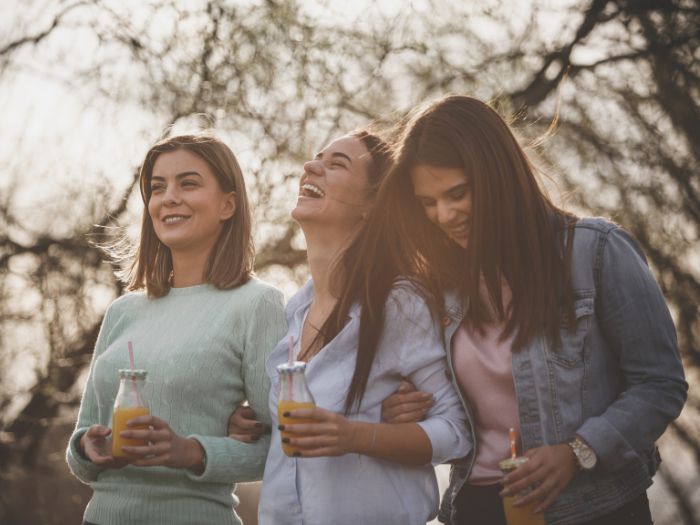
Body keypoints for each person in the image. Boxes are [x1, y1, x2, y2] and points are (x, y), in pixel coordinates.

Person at [364, 95, 687, 524]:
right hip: (476, 511)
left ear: (496, 175)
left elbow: (659, 384)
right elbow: (451, 410)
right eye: (428, 202)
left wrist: (577, 453)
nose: (443, 214)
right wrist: (405, 408)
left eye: (457, 193)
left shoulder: (596, 252)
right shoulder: (438, 289)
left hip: (594, 510)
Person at [231, 130, 471, 525]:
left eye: (336, 164)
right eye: (316, 158)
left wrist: (356, 436)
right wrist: (248, 421)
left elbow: (457, 431)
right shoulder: (292, 314)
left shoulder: (399, 305)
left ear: (373, 204)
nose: (311, 166)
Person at [65, 134, 286, 525]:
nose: (168, 197)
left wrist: (192, 451)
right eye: (157, 187)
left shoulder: (257, 304)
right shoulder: (122, 311)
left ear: (227, 204)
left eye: (188, 183)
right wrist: (87, 447)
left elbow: (282, 448)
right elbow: (82, 446)